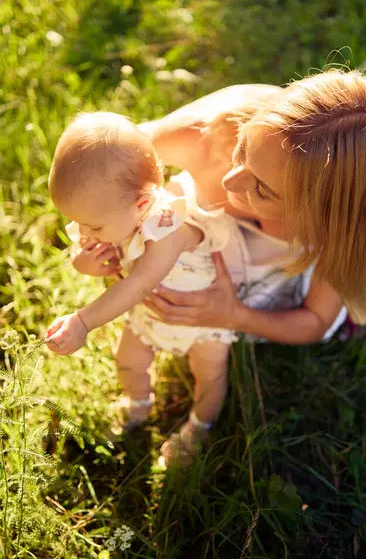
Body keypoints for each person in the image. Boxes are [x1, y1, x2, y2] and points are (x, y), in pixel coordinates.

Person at [72, 70, 366, 345]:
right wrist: (91, 241)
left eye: (262, 189)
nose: (230, 181)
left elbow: (314, 322)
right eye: (242, 151)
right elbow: (101, 167)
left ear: (320, 211)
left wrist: (230, 314)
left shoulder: (334, 228)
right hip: (202, 244)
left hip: (276, 284)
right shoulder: (205, 136)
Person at [45, 112, 237, 467]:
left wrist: (84, 322)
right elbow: (85, 258)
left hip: (200, 314)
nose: (84, 232)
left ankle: (200, 426)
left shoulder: (170, 225)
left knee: (209, 372)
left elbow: (139, 281)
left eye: (92, 226)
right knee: (128, 359)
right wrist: (86, 262)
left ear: (143, 205)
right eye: (78, 223)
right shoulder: (107, 215)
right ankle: (136, 406)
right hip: (150, 311)